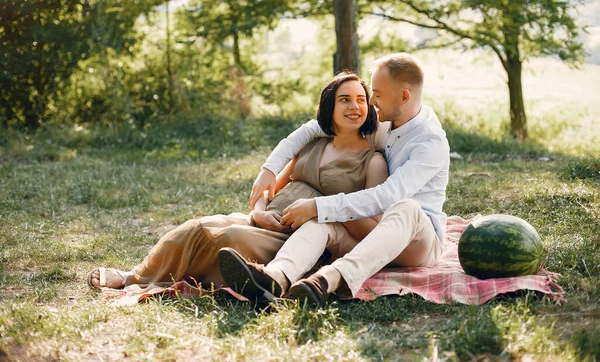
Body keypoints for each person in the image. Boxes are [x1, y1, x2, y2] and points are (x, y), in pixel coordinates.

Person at [87, 72, 388, 293]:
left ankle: (199, 279)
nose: (355, 107)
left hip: (297, 240)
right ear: (329, 107)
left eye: (361, 100)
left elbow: (375, 228)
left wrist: (320, 209)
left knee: (229, 237)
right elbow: (273, 189)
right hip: (263, 221)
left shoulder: (372, 161)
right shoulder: (312, 144)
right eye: (345, 99)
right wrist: (259, 212)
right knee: (197, 226)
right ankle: (134, 277)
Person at [219, 52, 449, 306]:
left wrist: (318, 205)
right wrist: (270, 169)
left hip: (417, 242)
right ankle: (274, 278)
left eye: (378, 94)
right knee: (323, 222)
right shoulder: (386, 122)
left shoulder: (429, 142)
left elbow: (388, 196)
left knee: (407, 207)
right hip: (373, 235)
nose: (371, 101)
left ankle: (329, 279)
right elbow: (312, 129)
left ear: (404, 96)